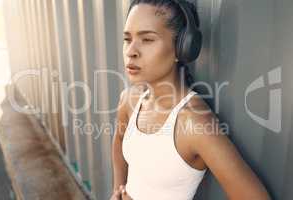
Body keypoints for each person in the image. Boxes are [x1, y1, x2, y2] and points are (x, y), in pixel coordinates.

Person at [111, 0, 271, 199]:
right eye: (128, 39)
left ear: (182, 47)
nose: (131, 51)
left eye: (147, 39)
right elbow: (118, 142)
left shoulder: (194, 122)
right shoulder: (129, 100)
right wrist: (118, 188)